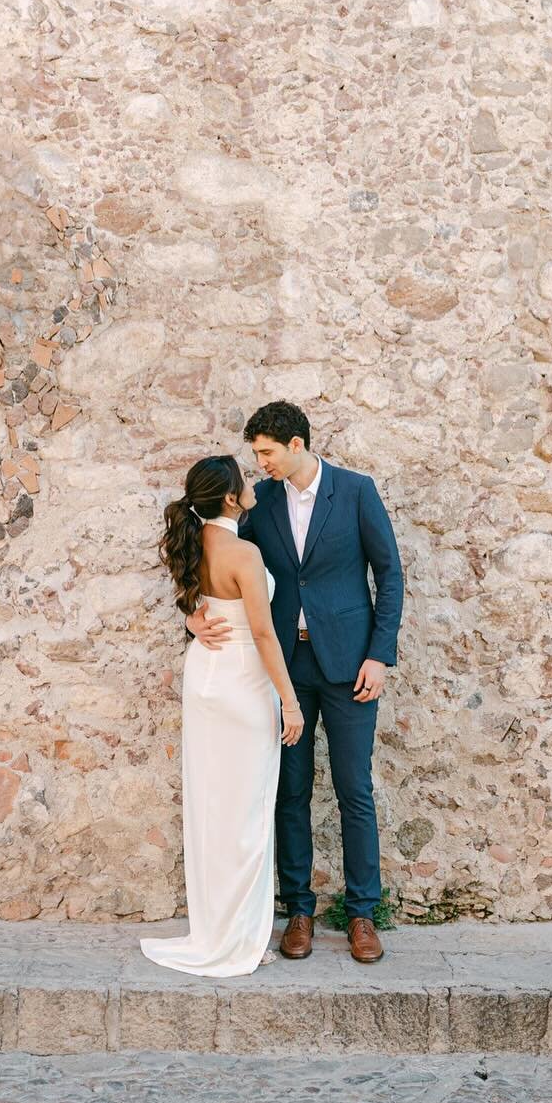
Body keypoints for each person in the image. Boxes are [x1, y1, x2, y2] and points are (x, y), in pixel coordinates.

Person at [188, 402, 403, 964]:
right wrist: (191, 611)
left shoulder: (356, 492)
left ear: (297, 445)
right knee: (291, 791)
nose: (259, 465)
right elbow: (210, 552)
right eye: (257, 455)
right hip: (284, 669)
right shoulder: (262, 506)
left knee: (355, 788)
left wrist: (380, 655)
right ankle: (299, 909)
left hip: (352, 666)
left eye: (266, 453)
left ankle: (362, 913)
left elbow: (390, 572)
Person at [140, 454, 305, 978]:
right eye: (244, 479)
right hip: (240, 682)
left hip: (204, 678)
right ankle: (237, 939)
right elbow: (261, 633)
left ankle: (217, 928)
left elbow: (198, 603)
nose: (252, 482)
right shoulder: (244, 552)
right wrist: (291, 700)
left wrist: (192, 619)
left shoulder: (192, 543)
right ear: (232, 498)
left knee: (212, 808)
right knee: (248, 811)